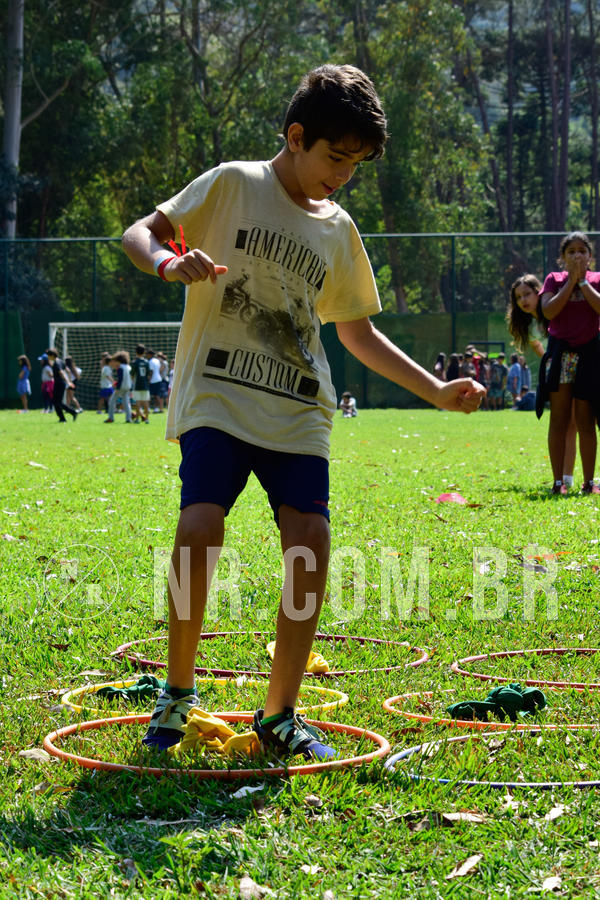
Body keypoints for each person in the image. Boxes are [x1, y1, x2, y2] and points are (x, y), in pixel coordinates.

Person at [122, 63, 484, 758]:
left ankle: (279, 713)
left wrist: (436, 392)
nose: (343, 174)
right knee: (199, 526)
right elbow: (144, 231)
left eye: (357, 163)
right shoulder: (234, 184)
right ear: (295, 137)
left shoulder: (338, 229)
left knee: (310, 546)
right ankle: (175, 693)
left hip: (298, 410)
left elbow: (356, 333)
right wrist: (169, 264)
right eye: (335, 157)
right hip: (219, 395)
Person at [537, 231, 600, 495]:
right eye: (571, 251)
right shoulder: (554, 279)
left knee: (586, 420)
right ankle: (558, 482)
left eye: (581, 250)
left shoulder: (597, 279)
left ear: (590, 256)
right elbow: (548, 311)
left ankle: (588, 482)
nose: (577, 255)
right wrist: (569, 283)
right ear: (563, 258)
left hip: (590, 354)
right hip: (561, 354)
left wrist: (583, 283)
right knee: (560, 420)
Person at [508, 273, 577, 486]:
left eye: (527, 294)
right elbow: (542, 353)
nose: (523, 301)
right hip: (556, 373)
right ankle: (563, 478)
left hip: (577, 365)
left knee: (576, 422)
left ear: (539, 292)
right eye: (518, 297)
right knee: (563, 422)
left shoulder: (556, 313)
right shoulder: (528, 327)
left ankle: (571, 477)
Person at [46, 349, 78, 422]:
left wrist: (68, 382)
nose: (48, 357)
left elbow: (61, 373)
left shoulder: (56, 363)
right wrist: (69, 380)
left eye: (48, 355)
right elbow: (68, 371)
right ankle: (63, 418)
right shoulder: (60, 361)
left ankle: (71, 413)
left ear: (52, 355)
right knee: (56, 401)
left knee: (57, 402)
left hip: (59, 384)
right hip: (60, 383)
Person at [105, 351, 132, 423]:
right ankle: (128, 418)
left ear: (119, 361)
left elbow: (121, 379)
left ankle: (111, 418)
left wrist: (117, 387)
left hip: (121, 387)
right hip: (128, 386)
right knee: (126, 402)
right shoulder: (128, 367)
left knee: (112, 401)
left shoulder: (120, 368)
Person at [130, 343, 151, 424]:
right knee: (146, 402)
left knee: (138, 402)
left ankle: (137, 419)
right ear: (144, 352)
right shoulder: (146, 362)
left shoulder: (134, 362)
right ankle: (147, 419)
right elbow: (149, 374)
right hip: (145, 384)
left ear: (136, 352)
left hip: (137, 385)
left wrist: (132, 382)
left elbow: (132, 374)